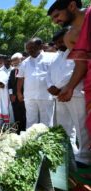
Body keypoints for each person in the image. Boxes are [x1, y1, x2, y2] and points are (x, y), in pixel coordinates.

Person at [46, 29, 91, 165]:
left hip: (75, 93)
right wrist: (50, 86)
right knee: (64, 126)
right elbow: (49, 73)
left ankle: (84, 157)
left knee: (80, 125)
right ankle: (69, 152)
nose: (59, 44)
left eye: (61, 41)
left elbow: (75, 71)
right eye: (57, 43)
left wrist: (58, 87)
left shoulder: (77, 51)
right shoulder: (56, 57)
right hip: (58, 96)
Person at [48, 0, 91, 136]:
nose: (55, 21)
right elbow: (81, 64)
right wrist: (70, 87)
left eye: (57, 15)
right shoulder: (70, 37)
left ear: (71, 6)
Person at [17, 38, 55, 128]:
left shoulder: (51, 57)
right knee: (31, 121)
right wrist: (19, 92)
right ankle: (30, 141)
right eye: (28, 48)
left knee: (46, 122)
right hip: (30, 96)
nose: (30, 50)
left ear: (40, 46)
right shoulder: (24, 63)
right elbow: (20, 78)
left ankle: (46, 141)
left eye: (32, 47)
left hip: (46, 95)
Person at [8, 53, 26, 133]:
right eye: (13, 61)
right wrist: (11, 94)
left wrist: (20, 94)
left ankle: (25, 131)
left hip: (24, 97)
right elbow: (10, 84)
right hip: (14, 99)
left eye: (16, 60)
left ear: (21, 59)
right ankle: (18, 132)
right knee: (17, 115)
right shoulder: (12, 72)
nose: (14, 62)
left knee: (25, 116)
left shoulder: (26, 69)